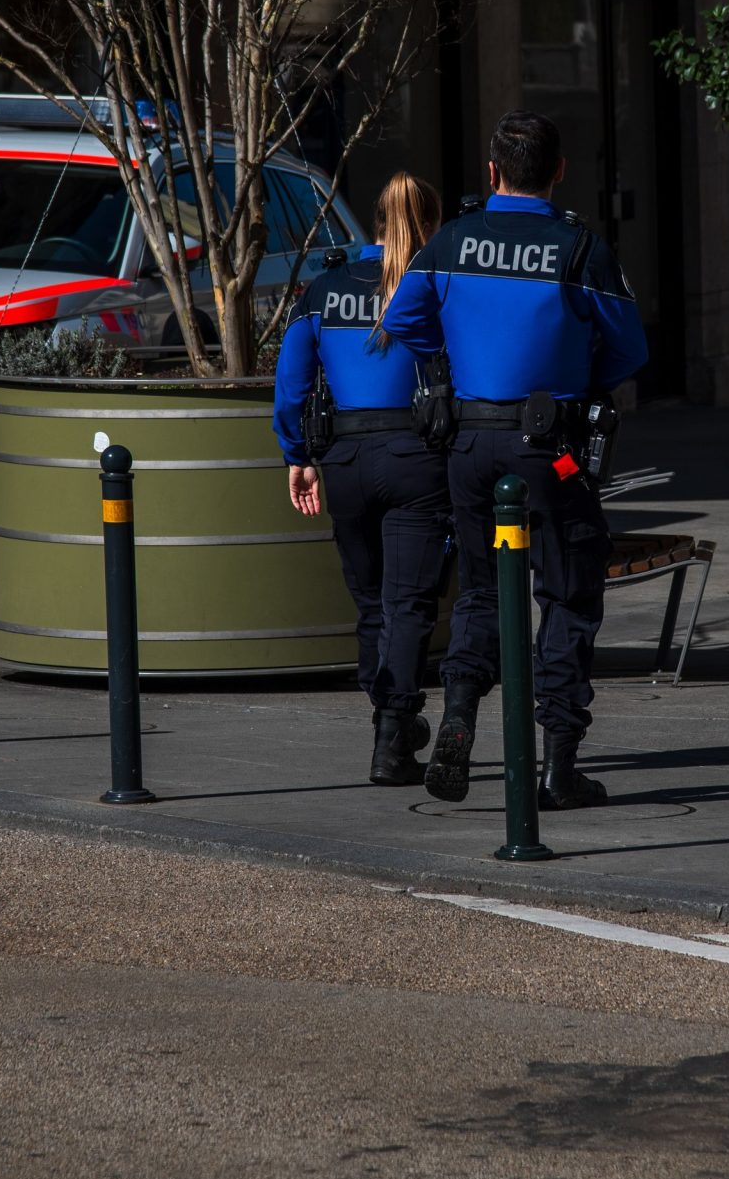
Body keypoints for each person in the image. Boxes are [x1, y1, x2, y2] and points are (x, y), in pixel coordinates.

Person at [382, 111, 648, 811]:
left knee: (476, 590)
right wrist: (581, 373)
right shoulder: (578, 248)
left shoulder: (451, 241)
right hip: (549, 451)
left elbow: (404, 320)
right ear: (559, 171)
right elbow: (630, 349)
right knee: (566, 591)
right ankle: (558, 764)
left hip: (470, 447)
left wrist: (448, 366)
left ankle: (462, 715)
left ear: (492, 173)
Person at [272, 173, 455, 786]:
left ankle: (386, 716)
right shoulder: (433, 288)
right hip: (415, 458)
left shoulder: (324, 289)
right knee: (408, 604)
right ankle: (394, 735)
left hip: (344, 462)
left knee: (371, 604)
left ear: (372, 222)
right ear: (427, 224)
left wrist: (297, 454)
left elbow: (292, 384)